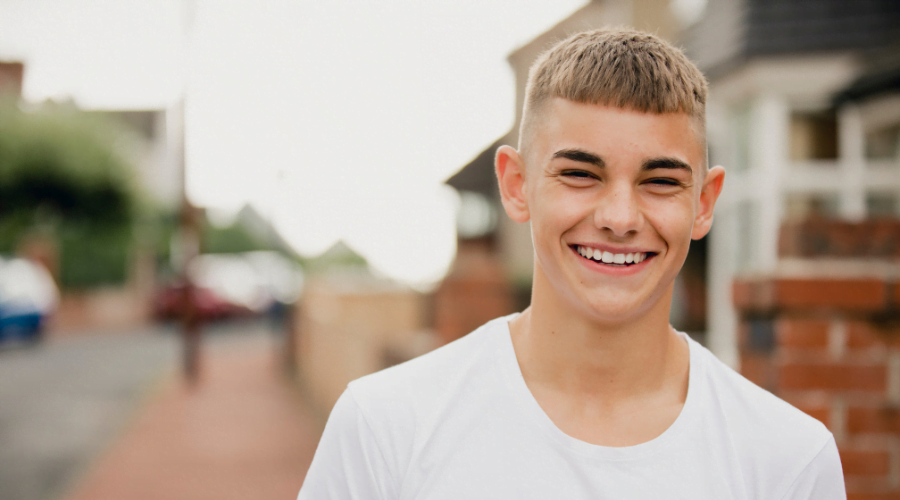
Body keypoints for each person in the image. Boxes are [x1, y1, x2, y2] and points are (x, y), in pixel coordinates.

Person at [298, 28, 846, 499]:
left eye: (660, 182)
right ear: (517, 186)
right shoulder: (387, 426)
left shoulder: (787, 461)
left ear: (703, 203)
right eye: (581, 174)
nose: (620, 217)